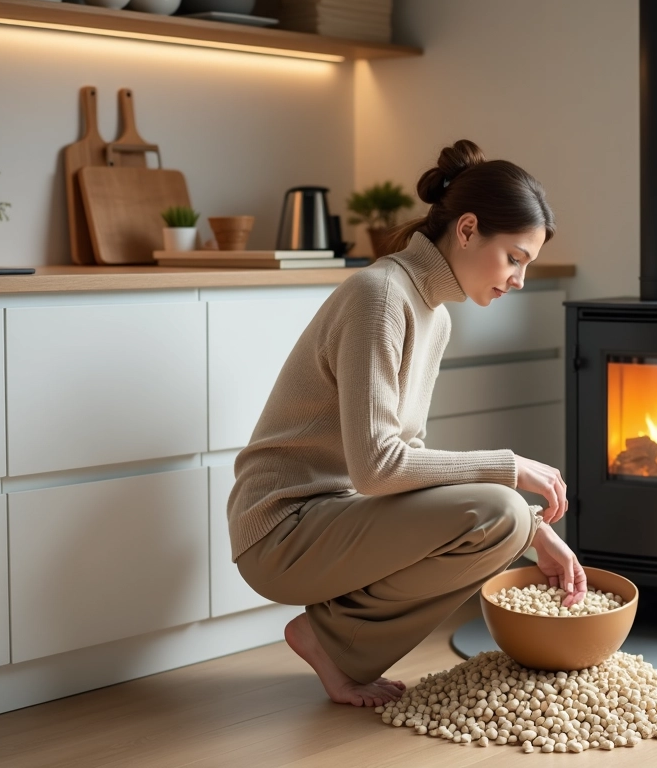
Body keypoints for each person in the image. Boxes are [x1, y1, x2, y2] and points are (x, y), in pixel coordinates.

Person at [228, 139, 587, 708]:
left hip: (338, 514)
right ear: (466, 229)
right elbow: (377, 468)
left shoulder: (433, 315)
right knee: (501, 508)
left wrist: (535, 535)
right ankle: (330, 641)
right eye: (515, 257)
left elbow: (408, 455)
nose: (519, 279)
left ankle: (328, 638)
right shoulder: (379, 295)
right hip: (282, 529)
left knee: (509, 519)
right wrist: (511, 469)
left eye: (528, 265)